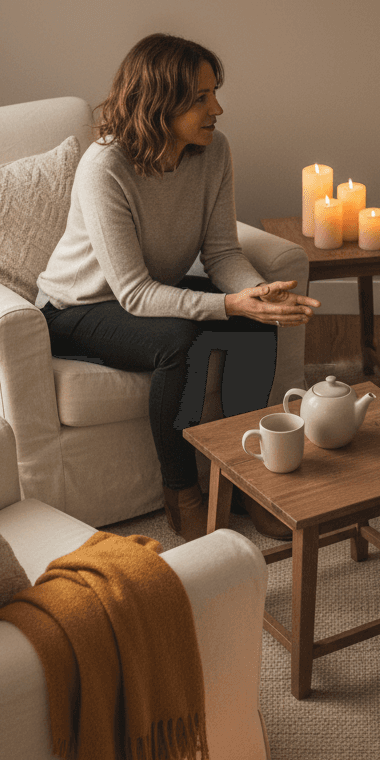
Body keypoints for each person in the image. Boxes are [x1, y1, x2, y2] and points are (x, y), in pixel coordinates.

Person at [36, 33, 319, 542]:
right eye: (200, 98)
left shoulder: (213, 151)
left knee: (255, 328)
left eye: (214, 93)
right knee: (177, 342)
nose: (218, 108)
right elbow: (134, 295)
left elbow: (222, 253)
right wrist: (230, 302)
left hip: (149, 291)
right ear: (158, 104)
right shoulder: (106, 167)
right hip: (76, 308)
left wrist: (257, 296)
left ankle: (246, 478)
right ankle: (181, 489)